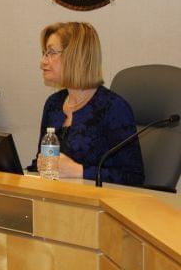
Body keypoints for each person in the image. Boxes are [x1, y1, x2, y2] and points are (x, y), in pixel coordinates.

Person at [31, 22, 144, 185]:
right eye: (44, 53)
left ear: (76, 56)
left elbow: (134, 177)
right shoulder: (53, 104)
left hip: (95, 205)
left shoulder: (113, 108)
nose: (43, 62)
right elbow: (44, 165)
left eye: (51, 53)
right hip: (55, 199)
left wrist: (79, 171)